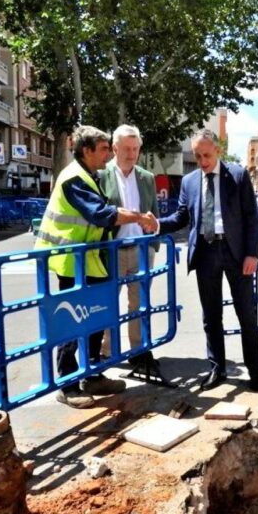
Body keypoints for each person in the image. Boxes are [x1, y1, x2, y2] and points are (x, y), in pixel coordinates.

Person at [35, 125, 156, 409]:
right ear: (87, 151)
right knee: (71, 321)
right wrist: (139, 218)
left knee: (95, 318)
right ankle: (67, 385)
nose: (107, 155)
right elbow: (102, 214)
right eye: (103, 149)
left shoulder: (90, 176)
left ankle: (92, 375)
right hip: (70, 261)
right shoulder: (74, 178)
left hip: (90, 260)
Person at [146, 129, 258, 392]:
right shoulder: (189, 182)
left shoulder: (238, 175)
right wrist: (157, 224)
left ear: (218, 150)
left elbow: (251, 217)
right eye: (198, 156)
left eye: (207, 155)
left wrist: (252, 253)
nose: (202, 161)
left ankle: (254, 370)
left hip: (236, 253)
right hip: (205, 251)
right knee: (211, 316)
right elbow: (181, 217)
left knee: (246, 313)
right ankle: (217, 369)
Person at [99, 124, 160, 371]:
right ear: (115, 148)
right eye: (126, 148)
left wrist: (153, 244)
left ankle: (139, 351)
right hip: (111, 251)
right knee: (107, 303)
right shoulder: (101, 175)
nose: (132, 154)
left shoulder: (147, 178)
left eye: (135, 149)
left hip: (141, 251)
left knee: (139, 303)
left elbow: (154, 212)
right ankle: (106, 352)